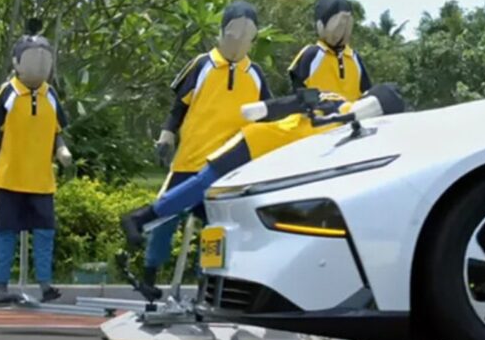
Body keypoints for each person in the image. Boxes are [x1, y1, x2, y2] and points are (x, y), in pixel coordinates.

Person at [120, 83, 405, 246]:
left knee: (226, 212)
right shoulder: (336, 102)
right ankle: (141, 218)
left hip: (274, 169)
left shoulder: (359, 134)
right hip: (255, 144)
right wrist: (264, 110)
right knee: (203, 185)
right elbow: (294, 101)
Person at [140, 1, 270, 290]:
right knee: (164, 217)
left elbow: (267, 115)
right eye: (232, 35)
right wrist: (166, 134)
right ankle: (149, 274)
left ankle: (206, 285)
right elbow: (178, 107)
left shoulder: (256, 74)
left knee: (216, 231)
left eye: (246, 37)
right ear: (222, 33)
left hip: (229, 167)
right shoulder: (202, 65)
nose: (237, 43)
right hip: (191, 160)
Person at [0, 20, 72, 304]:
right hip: (8, 177)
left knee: (45, 232)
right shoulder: (8, 92)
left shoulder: (51, 95)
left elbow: (57, 131)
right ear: (17, 63)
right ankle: (1, 288)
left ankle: (45, 285)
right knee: (4, 233)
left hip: (42, 180)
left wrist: (62, 150)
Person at [288, 0, 372, 99]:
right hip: (318, 114)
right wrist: (322, 98)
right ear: (321, 25)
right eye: (339, 24)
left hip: (353, 113)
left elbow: (367, 93)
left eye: (346, 23)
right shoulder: (311, 55)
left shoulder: (354, 58)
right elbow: (296, 95)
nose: (342, 30)